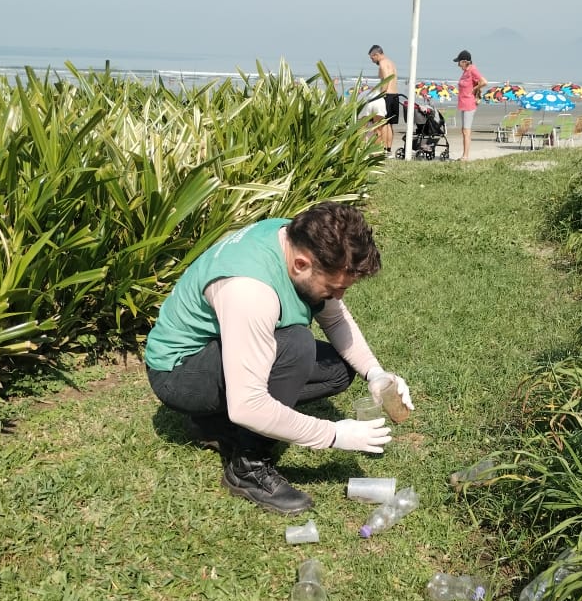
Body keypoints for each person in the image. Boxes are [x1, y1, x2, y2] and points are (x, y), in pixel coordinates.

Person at [145, 203, 413, 515]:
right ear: (302, 264)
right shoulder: (249, 291)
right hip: (180, 374)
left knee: (338, 370)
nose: (338, 297)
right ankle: (248, 467)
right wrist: (334, 435)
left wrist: (375, 374)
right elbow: (249, 406)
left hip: (215, 352)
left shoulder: (295, 238)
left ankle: (214, 423)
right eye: (334, 288)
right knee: (296, 346)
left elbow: (336, 320)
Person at [361, 44, 399, 155]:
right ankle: (388, 149)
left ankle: (382, 149)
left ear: (376, 54)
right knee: (389, 124)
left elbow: (386, 79)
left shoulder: (382, 63)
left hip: (387, 95)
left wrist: (380, 95)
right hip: (395, 95)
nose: (372, 60)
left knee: (383, 124)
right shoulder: (391, 62)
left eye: (372, 58)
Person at [452, 49, 488, 160]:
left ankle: (465, 156)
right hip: (463, 103)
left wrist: (475, 88)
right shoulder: (466, 71)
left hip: (469, 103)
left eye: (459, 62)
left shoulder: (472, 70)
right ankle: (464, 155)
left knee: (466, 131)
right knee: (464, 130)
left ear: (464, 61)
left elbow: (484, 82)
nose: (458, 65)